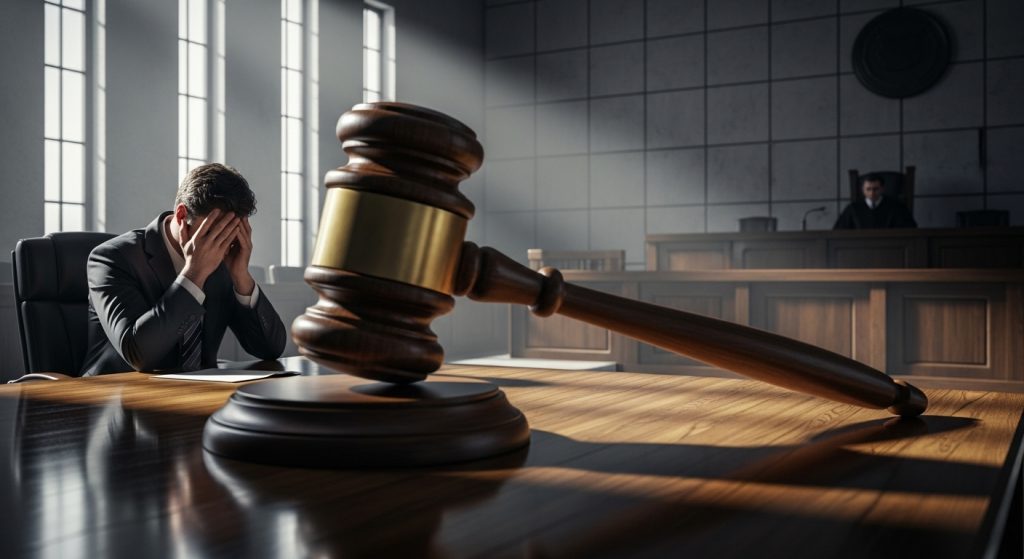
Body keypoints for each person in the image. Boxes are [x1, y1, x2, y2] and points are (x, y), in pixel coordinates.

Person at [80, 163, 287, 376]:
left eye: (232, 232)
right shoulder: (112, 258)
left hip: (197, 395)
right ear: (181, 217)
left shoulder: (226, 262)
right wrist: (194, 274)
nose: (224, 244)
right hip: (115, 395)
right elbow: (139, 354)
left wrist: (241, 276)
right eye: (216, 233)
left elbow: (270, 349)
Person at [833, 174, 917, 229]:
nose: (872, 193)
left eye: (875, 189)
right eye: (868, 189)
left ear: (882, 189)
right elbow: (838, 232)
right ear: (863, 190)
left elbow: (911, 229)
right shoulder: (853, 209)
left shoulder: (896, 207)